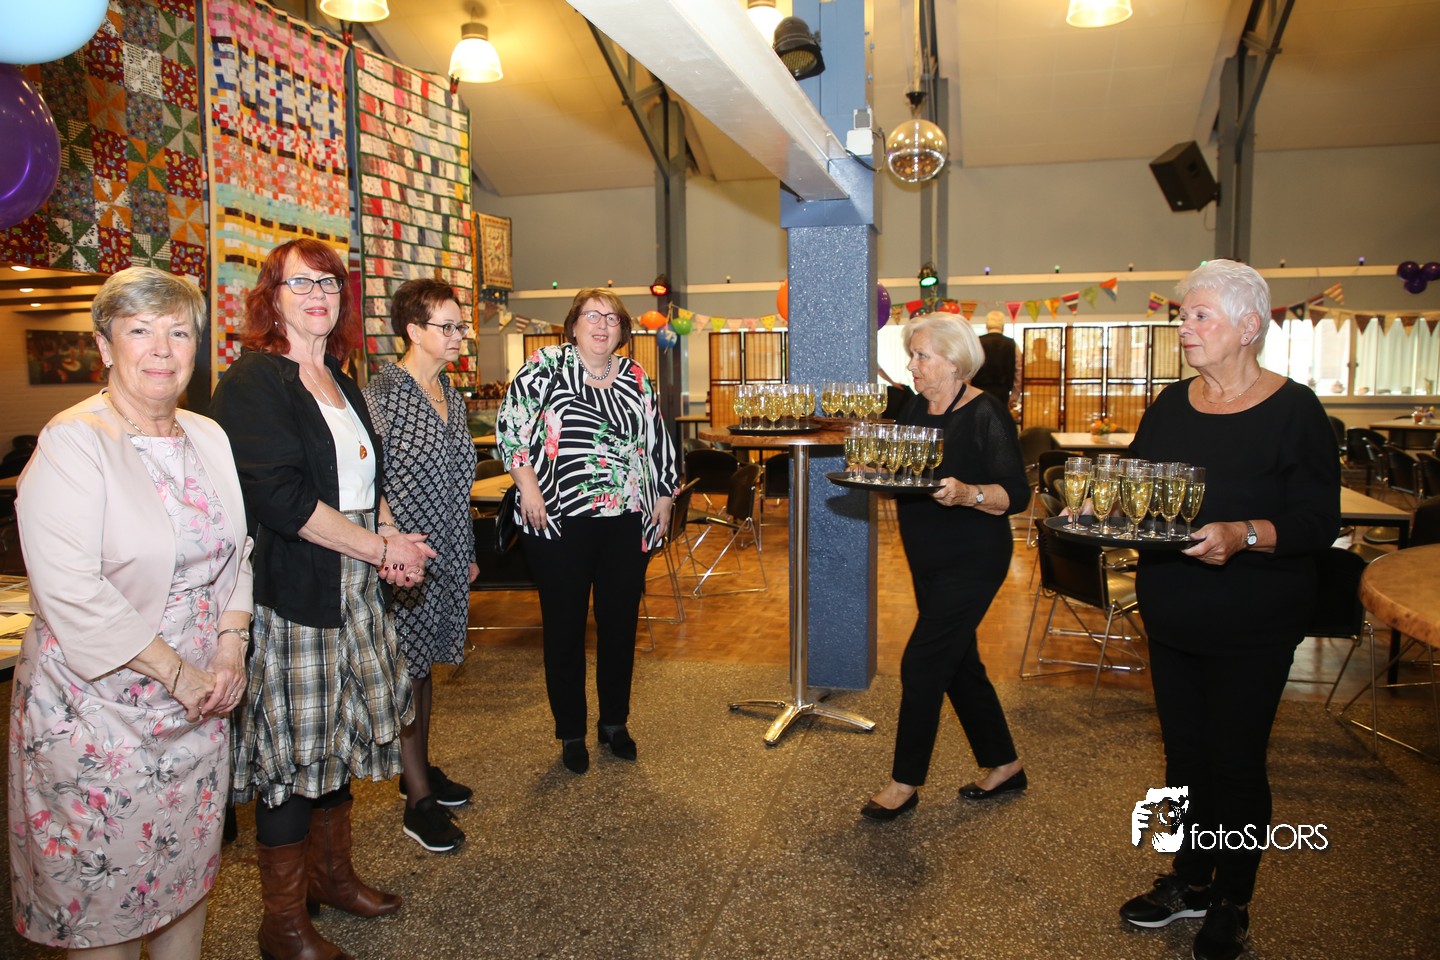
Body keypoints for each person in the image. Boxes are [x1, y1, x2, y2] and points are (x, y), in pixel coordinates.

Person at [8, 267, 253, 958]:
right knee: (101, 905)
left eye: (179, 332)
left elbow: (238, 551)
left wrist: (230, 646)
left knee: (185, 881)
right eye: (140, 330)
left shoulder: (208, 436)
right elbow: (72, 589)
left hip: (199, 706)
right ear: (105, 345)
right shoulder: (73, 440)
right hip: (96, 711)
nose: (162, 349)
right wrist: (178, 673)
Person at [211, 239, 436, 960]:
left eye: (330, 284)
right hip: (298, 595)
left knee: (339, 743)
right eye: (301, 283)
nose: (318, 295)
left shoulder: (338, 376)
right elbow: (282, 500)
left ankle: (332, 879)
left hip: (356, 588)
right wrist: (378, 549)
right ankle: (282, 922)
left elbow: (370, 485)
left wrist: (393, 539)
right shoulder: (253, 380)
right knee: (295, 757)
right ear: (271, 296)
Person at [1116, 260, 1339, 960]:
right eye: (1183, 314)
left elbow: (1317, 522)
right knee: (1184, 757)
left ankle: (1232, 898)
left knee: (1236, 762)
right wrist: (1098, 508)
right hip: (1173, 609)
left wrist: (1244, 534)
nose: (1184, 326)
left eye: (1199, 314)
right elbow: (1135, 487)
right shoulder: (1169, 405)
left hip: (1254, 616)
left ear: (1249, 327)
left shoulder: (1295, 410)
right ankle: (1189, 879)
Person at [495, 288, 679, 775]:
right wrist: (528, 490)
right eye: (592, 316)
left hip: (627, 521)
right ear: (573, 324)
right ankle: (571, 731)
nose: (602, 325)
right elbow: (511, 430)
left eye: (612, 318)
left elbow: (657, 441)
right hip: (556, 519)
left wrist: (664, 496)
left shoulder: (636, 376)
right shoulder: (546, 366)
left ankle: (614, 723)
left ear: (622, 331)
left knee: (620, 626)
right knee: (564, 628)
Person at [862, 313, 1031, 821]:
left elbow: (1016, 494)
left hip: (973, 558)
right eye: (912, 355)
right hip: (926, 556)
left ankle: (904, 782)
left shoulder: (986, 413)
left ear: (955, 361)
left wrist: (969, 493)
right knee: (958, 663)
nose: (911, 366)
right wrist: (876, 470)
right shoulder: (916, 407)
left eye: (921, 356)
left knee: (923, 663)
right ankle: (1005, 764)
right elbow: (907, 476)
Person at [363, 278, 479, 853]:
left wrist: (468, 553)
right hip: (403, 556)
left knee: (425, 664)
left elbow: (459, 482)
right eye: (447, 327)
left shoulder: (450, 394)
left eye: (461, 326)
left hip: (447, 551)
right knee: (408, 667)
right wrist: (388, 541)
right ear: (413, 330)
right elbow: (367, 478)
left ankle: (422, 769)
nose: (459, 336)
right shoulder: (382, 394)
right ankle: (417, 802)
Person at [972, 310, 1021, 411]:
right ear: (1003, 326)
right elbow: (1019, 371)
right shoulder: (1012, 344)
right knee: (999, 418)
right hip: (1002, 392)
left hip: (978, 390)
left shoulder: (977, 342)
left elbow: (970, 367)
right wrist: (1014, 395)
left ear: (987, 326)